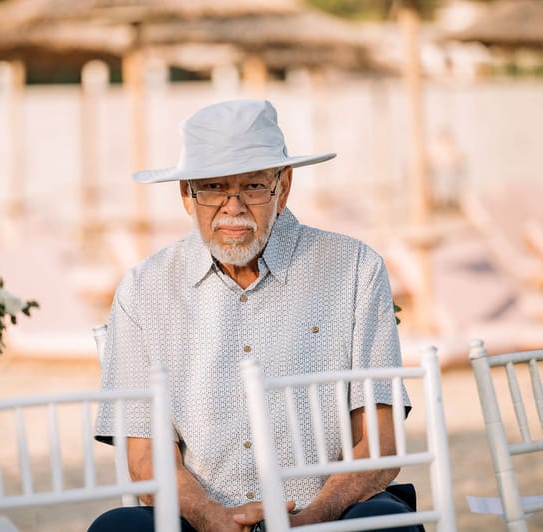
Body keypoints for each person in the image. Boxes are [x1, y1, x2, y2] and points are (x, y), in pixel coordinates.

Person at [89, 99, 418, 531]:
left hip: (330, 513)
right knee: (116, 529)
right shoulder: (143, 288)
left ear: (284, 187)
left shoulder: (355, 268)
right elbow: (146, 458)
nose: (233, 206)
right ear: (186, 195)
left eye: (253, 186)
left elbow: (379, 442)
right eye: (212, 187)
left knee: (386, 526)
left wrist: (312, 518)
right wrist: (212, 518)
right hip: (197, 520)